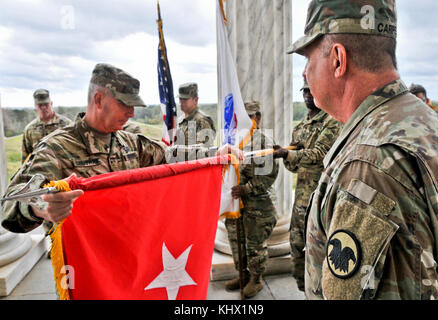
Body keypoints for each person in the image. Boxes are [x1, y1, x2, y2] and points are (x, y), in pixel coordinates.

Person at [288, 0, 438, 300]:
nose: (305, 73)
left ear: (337, 59)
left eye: (309, 59)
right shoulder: (423, 120)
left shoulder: (368, 164)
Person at [1, 63, 167, 234]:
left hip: (127, 247)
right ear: (99, 100)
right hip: (81, 255)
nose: (131, 113)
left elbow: (171, 155)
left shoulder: (131, 143)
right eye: (125, 104)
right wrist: (39, 207)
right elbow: (9, 204)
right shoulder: (56, 148)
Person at [273, 79, 342, 291]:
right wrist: (287, 153)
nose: (307, 96)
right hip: (302, 199)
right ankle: (304, 289)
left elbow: (320, 154)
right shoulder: (301, 126)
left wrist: (289, 153)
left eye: (311, 92)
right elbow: (295, 167)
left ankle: (322, 291)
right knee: (296, 247)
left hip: (321, 199)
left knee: (320, 251)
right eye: (304, 92)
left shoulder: (332, 122)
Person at [224, 101, 279, 298]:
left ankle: (256, 279)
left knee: (255, 245)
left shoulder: (264, 142)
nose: (245, 121)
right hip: (237, 203)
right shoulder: (233, 141)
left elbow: (269, 174)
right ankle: (243, 274)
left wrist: (246, 189)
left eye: (249, 117)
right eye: (241, 117)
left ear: (258, 117)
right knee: (235, 241)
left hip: (257, 205)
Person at [169, 83, 216, 162]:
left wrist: (178, 151)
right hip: (180, 166)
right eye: (180, 99)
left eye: (185, 99)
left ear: (195, 100)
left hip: (194, 168)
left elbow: (207, 151)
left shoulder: (201, 121)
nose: (181, 102)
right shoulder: (181, 120)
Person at [22, 89, 73, 163]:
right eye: (40, 105)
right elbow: (26, 158)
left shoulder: (67, 124)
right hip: (40, 172)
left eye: (46, 104)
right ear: (35, 106)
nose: (43, 108)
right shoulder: (30, 129)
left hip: (64, 171)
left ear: (51, 104)